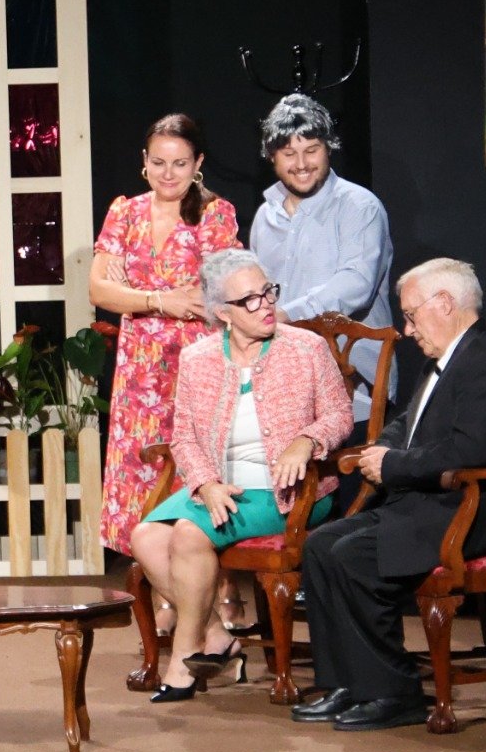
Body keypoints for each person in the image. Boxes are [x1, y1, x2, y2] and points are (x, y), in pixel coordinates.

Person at [293, 259, 486, 731]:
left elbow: (472, 448)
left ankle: (394, 692)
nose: (405, 329)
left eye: (410, 315)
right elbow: (409, 421)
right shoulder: (444, 359)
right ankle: (349, 683)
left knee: (354, 557)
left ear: (445, 303)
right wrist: (382, 447)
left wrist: (394, 465)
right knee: (321, 546)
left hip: (476, 508)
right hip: (431, 500)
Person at [130, 250, 353, 702]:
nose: (266, 305)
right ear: (222, 314)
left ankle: (183, 658)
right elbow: (185, 438)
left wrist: (306, 440)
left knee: (190, 535)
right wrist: (206, 483)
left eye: (268, 292)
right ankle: (216, 636)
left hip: (288, 489)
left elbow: (339, 415)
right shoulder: (198, 359)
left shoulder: (305, 348)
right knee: (145, 537)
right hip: (221, 482)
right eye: (249, 300)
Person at [88, 114, 240, 627]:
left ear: (197, 165)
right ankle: (175, 617)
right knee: (140, 493)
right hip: (138, 374)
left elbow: (219, 296)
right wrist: (160, 299)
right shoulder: (124, 213)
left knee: (191, 486)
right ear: (143, 163)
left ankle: (218, 613)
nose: (168, 173)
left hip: (195, 366)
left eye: (180, 163)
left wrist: (156, 301)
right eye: (158, 163)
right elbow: (100, 292)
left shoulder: (216, 215)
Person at [250, 93, 396, 434]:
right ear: (273, 157)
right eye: (289, 154)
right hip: (285, 392)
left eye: (311, 150)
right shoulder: (264, 216)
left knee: (350, 487)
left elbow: (355, 284)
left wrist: (286, 316)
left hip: (355, 391)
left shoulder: (360, 207)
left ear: (328, 148)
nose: (301, 164)